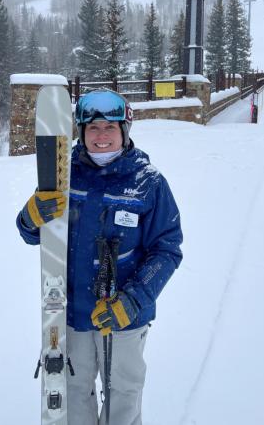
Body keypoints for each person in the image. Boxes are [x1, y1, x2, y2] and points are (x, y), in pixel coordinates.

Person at [17, 89, 183, 425]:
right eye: (93, 128)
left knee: (123, 390)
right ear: (81, 133)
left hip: (124, 316)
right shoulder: (65, 176)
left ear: (125, 131)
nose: (101, 135)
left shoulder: (148, 183)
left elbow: (167, 249)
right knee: (74, 388)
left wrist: (132, 301)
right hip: (72, 314)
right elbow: (36, 234)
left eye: (110, 127)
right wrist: (28, 218)